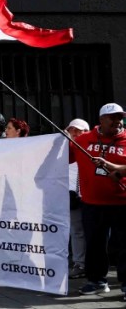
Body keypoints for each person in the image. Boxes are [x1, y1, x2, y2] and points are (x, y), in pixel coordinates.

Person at [70, 103, 126, 298]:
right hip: (92, 203)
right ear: (101, 119)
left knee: (123, 245)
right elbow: (63, 156)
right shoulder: (83, 140)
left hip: (122, 202)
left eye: (120, 117)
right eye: (113, 117)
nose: (117, 121)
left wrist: (113, 167)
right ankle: (97, 281)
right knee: (94, 244)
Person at [65, 118, 90, 279]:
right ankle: (80, 263)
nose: (74, 133)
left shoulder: (89, 148)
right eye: (71, 130)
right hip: (72, 196)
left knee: (95, 233)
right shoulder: (65, 150)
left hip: (91, 196)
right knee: (77, 231)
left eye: (78, 130)